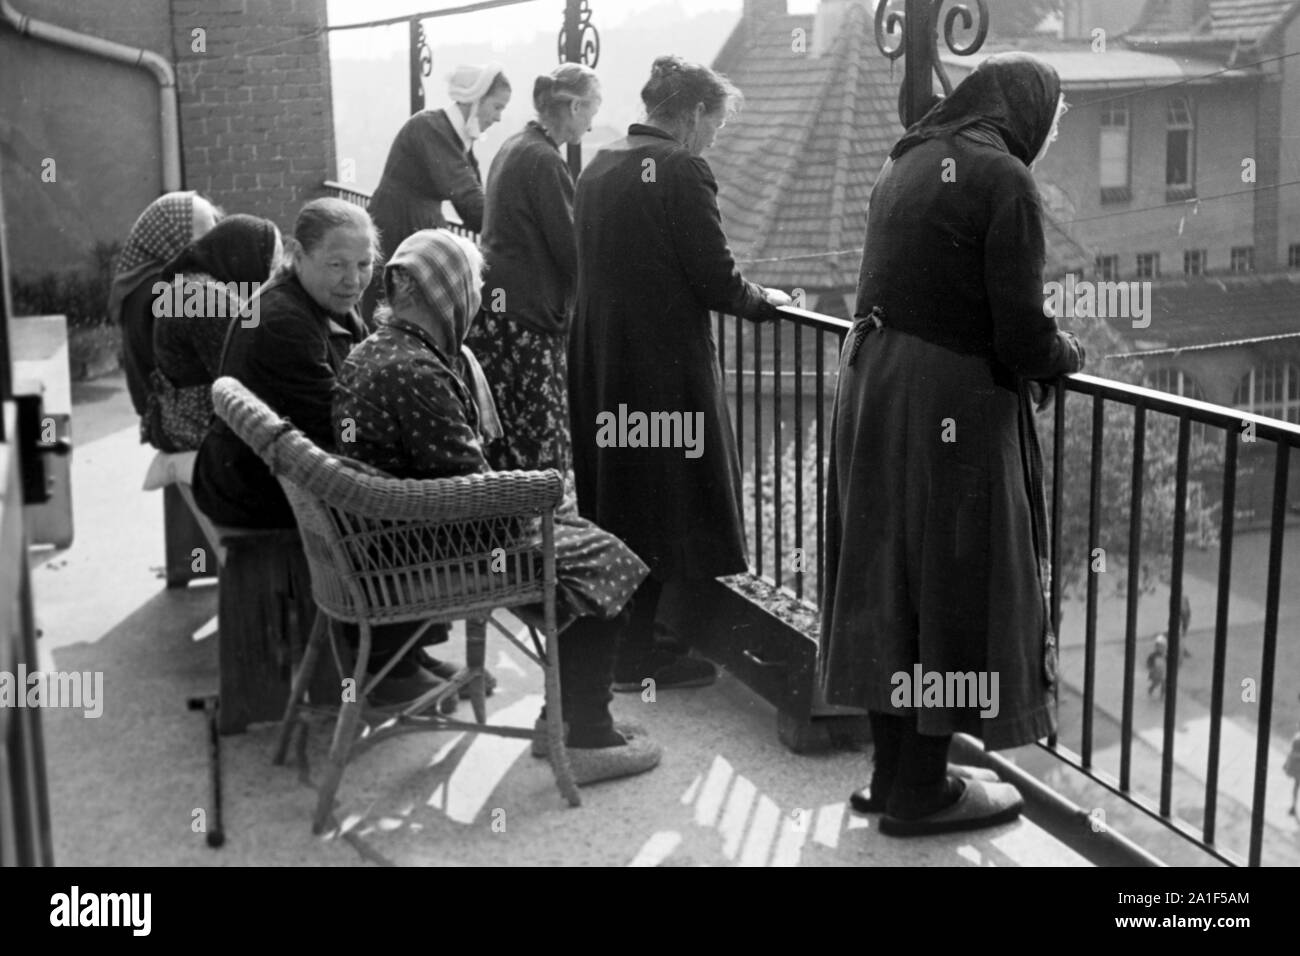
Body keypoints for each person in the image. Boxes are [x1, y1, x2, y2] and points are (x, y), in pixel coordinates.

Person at [819, 52, 1085, 836]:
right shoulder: (1004, 179)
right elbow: (1021, 331)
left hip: (873, 386)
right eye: (1056, 120)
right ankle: (924, 790)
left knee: (887, 576)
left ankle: (888, 772)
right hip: (949, 400)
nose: (1051, 134)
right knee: (951, 580)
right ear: (1026, 109)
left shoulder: (906, 158)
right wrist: (1068, 354)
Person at [333, 228, 661, 784]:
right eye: (475, 284)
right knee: (607, 563)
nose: (481, 298)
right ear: (448, 294)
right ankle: (584, 736)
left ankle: (561, 720)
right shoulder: (416, 372)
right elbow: (476, 493)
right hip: (429, 547)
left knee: (576, 535)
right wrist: (542, 497)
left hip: (390, 535)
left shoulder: (378, 348)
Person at [568, 56, 790, 693]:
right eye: (715, 122)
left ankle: (629, 648)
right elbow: (714, 277)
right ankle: (640, 657)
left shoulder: (600, 162)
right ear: (693, 112)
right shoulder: (682, 168)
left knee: (621, 498)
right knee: (665, 501)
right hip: (658, 368)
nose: (716, 136)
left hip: (603, 359)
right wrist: (766, 302)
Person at [191, 199, 466, 708]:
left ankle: (405, 649)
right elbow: (339, 427)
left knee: (407, 481)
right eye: (336, 264)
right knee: (404, 501)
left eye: (364, 265)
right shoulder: (284, 322)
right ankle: (388, 666)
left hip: (263, 470)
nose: (353, 279)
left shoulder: (318, 305)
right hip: (253, 488)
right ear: (297, 254)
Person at [464, 64, 601, 511]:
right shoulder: (545, 160)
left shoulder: (514, 147)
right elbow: (573, 249)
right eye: (592, 109)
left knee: (507, 441)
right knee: (542, 448)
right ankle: (546, 555)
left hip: (497, 318)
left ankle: (519, 543)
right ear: (575, 106)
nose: (593, 122)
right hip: (526, 323)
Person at [362, 63, 511, 321]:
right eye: (496, 107)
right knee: (397, 308)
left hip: (412, 224)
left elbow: (473, 198)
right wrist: (514, 231)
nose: (498, 117)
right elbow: (468, 199)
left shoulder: (449, 133)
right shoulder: (431, 128)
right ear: (474, 100)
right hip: (399, 225)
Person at [149, 214, 282, 451]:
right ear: (246, 258)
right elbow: (249, 380)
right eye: (270, 267)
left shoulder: (191, 282)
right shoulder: (207, 301)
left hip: (179, 421)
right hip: (200, 435)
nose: (273, 279)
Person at [107, 191, 221, 442]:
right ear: (171, 237)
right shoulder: (164, 290)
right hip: (185, 427)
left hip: (167, 422)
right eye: (203, 238)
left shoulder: (139, 284)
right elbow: (239, 314)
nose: (211, 248)